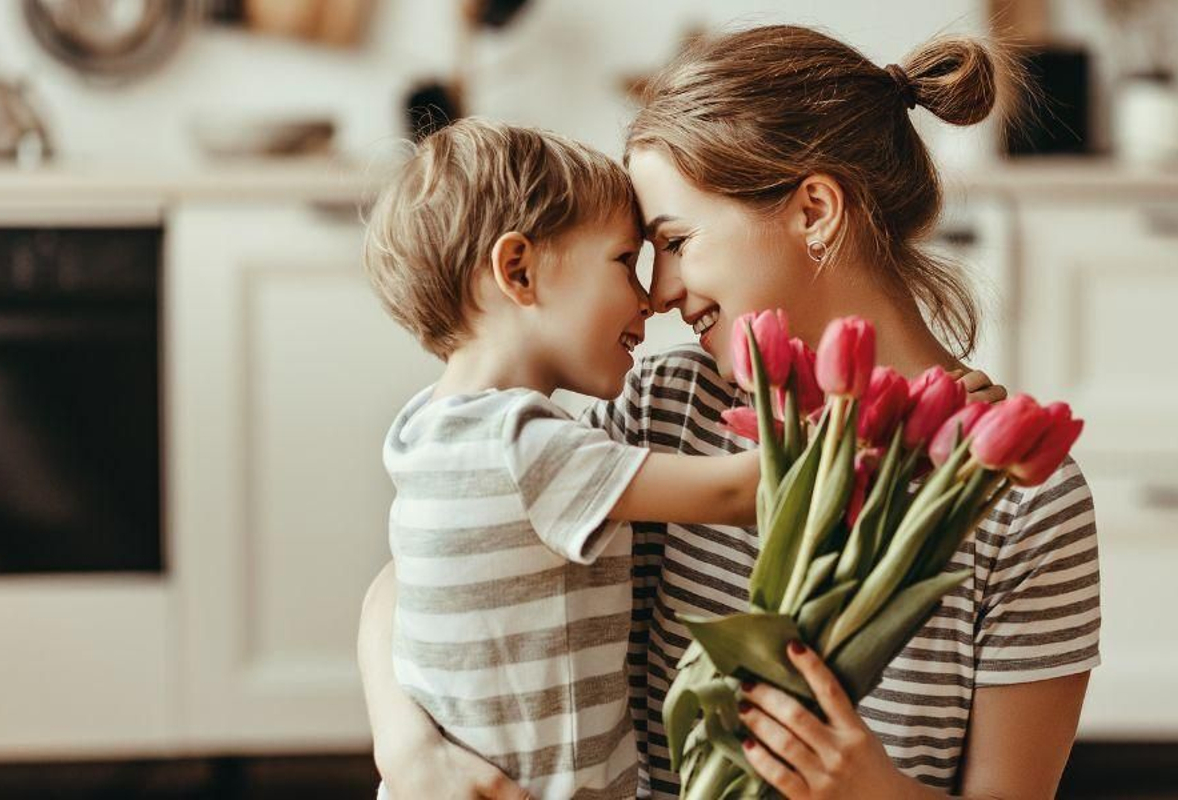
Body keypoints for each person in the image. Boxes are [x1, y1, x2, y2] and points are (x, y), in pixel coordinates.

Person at [362, 24, 1099, 800]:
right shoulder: (670, 409)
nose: (659, 294)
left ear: (814, 210)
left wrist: (868, 789)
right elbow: (433, 561)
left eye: (675, 241)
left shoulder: (1021, 497)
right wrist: (407, 750)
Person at [361, 118, 760, 799]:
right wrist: (871, 410)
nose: (647, 298)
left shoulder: (425, 428)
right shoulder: (526, 447)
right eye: (623, 260)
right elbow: (730, 493)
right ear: (518, 270)